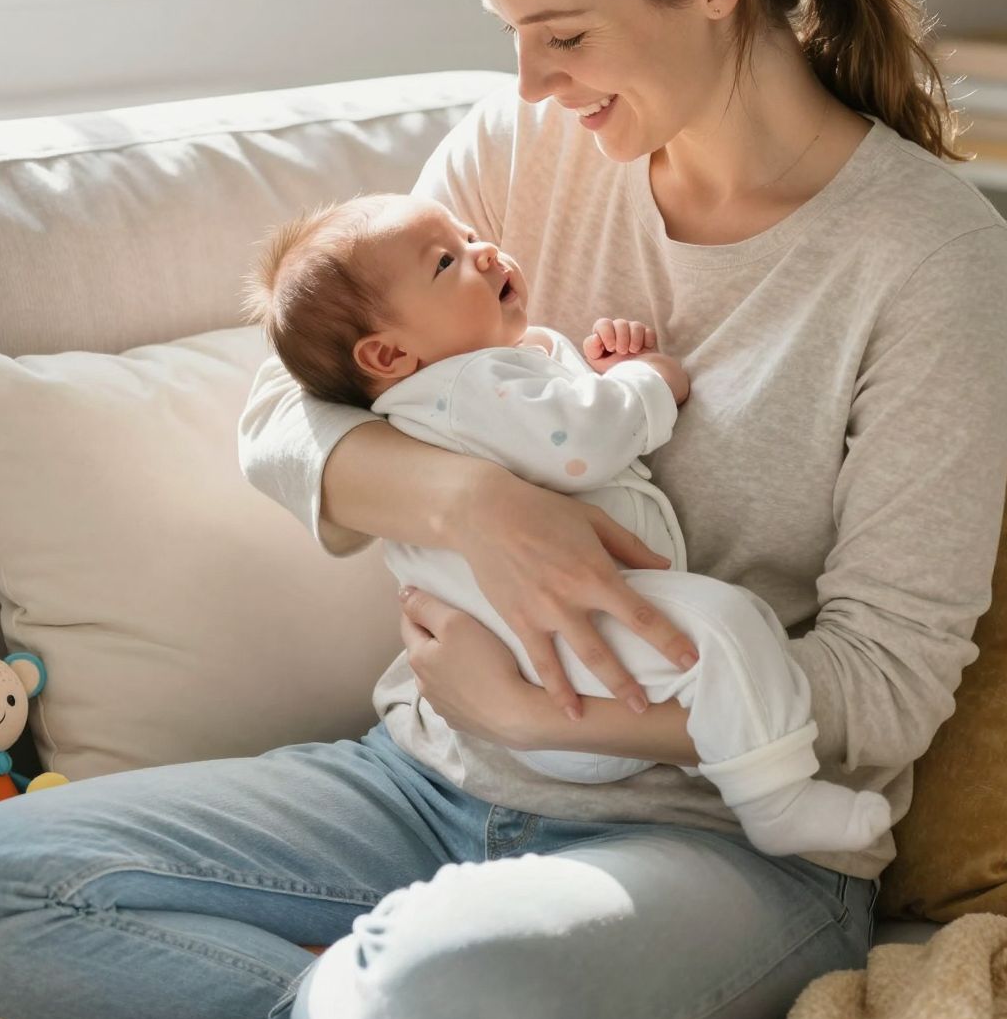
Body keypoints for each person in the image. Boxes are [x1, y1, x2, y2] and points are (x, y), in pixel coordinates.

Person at [0, 0, 1007, 1019]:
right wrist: (473, 504)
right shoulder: (522, 153)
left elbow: (887, 685)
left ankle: (398, 1015)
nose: (530, 80)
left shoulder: (925, 255)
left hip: (718, 841)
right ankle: (353, 1013)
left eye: (563, 33)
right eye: (514, 32)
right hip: (419, 778)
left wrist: (546, 716)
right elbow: (286, 415)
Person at [239, 187, 892, 856]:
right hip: (569, 666)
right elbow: (582, 443)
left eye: (469, 235)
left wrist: (587, 369)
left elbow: (544, 418)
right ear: (386, 357)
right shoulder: (465, 386)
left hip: (550, 699)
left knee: (726, 644)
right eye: (446, 261)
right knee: (730, 627)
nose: (483, 250)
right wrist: (647, 380)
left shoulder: (445, 390)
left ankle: (746, 767)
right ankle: (775, 799)